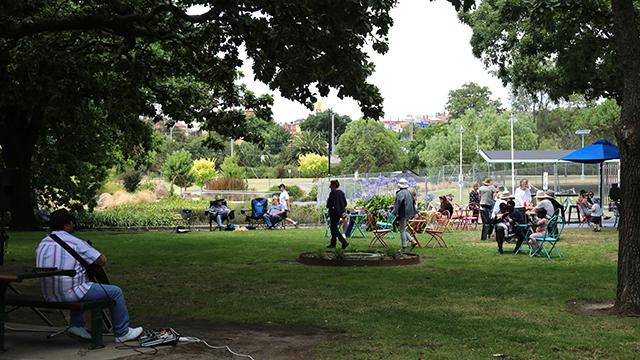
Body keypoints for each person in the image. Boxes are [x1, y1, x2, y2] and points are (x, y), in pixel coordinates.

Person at [35, 209, 142, 343]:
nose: (73, 225)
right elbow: (102, 260)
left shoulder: (43, 243)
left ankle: (77, 325)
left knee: (78, 283)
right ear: (66, 225)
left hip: (49, 294)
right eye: (71, 222)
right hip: (68, 293)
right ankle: (122, 332)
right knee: (115, 292)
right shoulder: (75, 242)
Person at [393, 178, 417, 253]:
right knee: (402, 229)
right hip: (409, 213)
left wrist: (395, 212)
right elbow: (413, 203)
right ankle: (412, 241)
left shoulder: (400, 193)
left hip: (403, 213)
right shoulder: (409, 193)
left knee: (402, 230)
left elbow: (398, 204)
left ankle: (404, 247)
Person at [326, 179, 349, 249]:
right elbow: (345, 203)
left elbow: (330, 204)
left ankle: (343, 241)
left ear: (333, 185)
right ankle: (333, 243)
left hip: (333, 213)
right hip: (340, 212)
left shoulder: (332, 193)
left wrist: (328, 203)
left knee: (334, 228)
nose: (329, 186)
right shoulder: (341, 193)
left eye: (331, 185)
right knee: (333, 228)